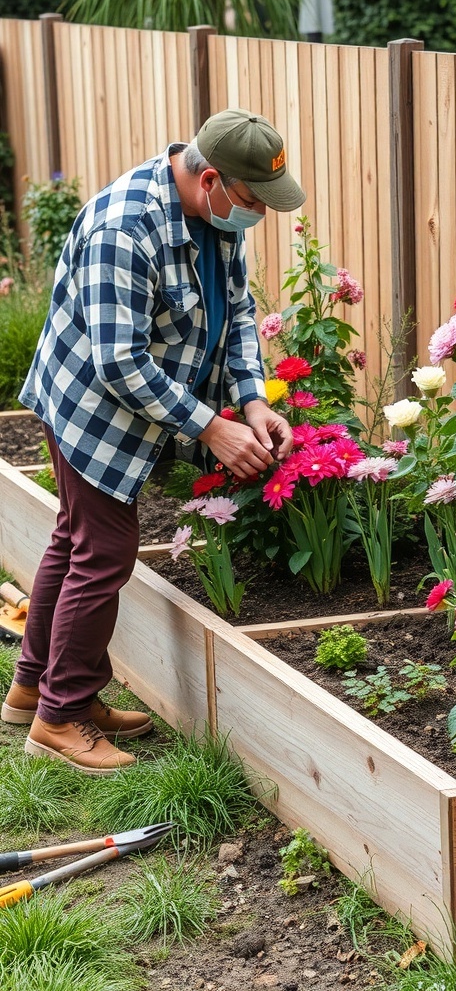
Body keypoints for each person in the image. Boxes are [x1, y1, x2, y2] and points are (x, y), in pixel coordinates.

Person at [1, 108, 305, 774]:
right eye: (253, 203)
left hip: (133, 403)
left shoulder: (212, 218)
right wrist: (213, 427)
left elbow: (240, 312)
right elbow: (119, 364)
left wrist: (251, 397)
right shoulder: (127, 226)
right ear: (214, 180)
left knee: (75, 538)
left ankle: (34, 689)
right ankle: (61, 717)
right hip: (91, 407)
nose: (257, 217)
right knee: (105, 551)